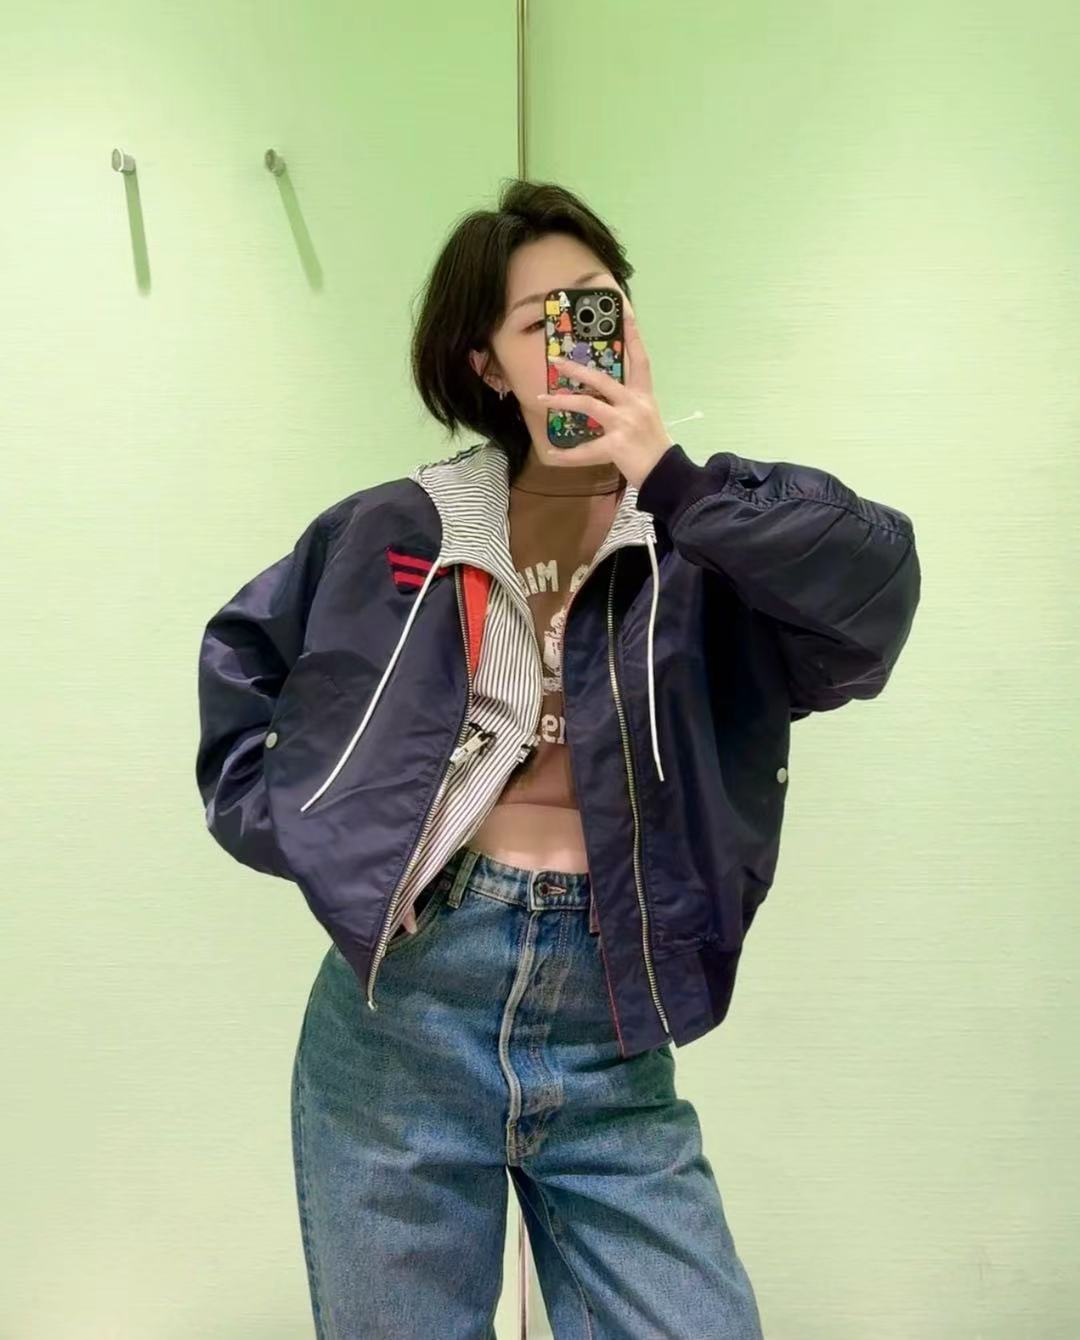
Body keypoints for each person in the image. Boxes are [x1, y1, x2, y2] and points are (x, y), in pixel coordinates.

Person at [196, 178, 920, 1338]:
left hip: (609, 1015)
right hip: (405, 1016)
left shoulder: (703, 537)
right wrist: (327, 849)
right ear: (487, 364)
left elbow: (871, 600)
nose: (582, 335)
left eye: (601, 302)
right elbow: (243, 656)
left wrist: (673, 480)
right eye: (543, 321)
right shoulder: (406, 525)